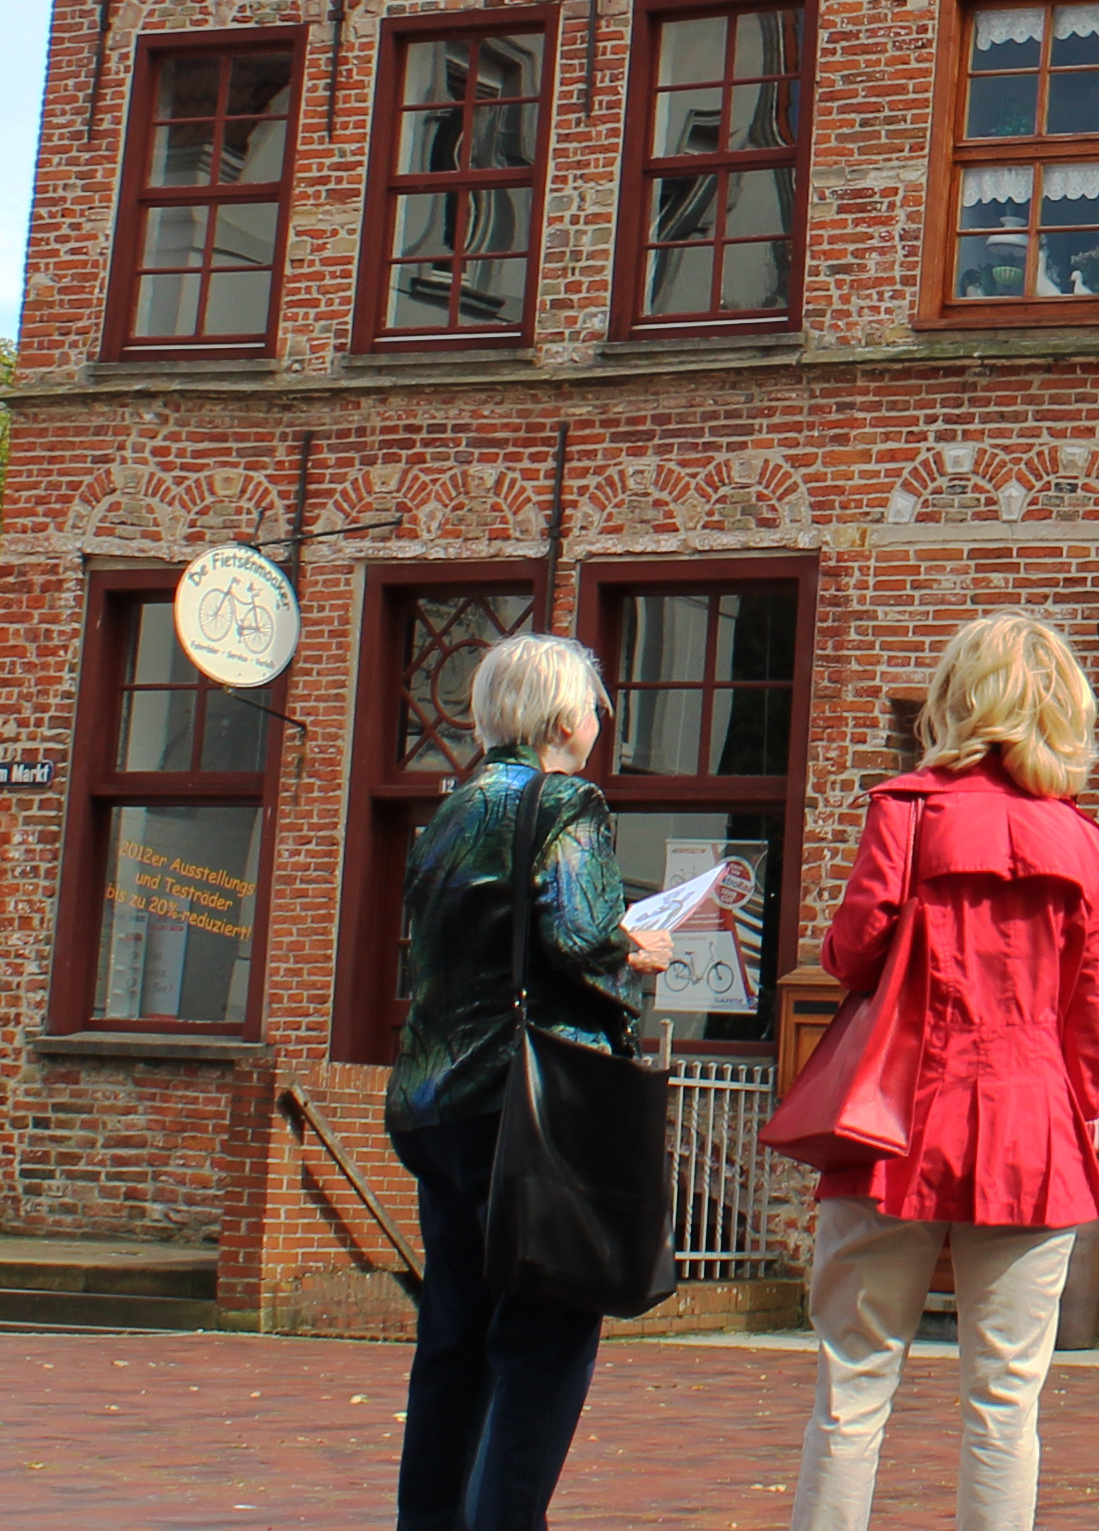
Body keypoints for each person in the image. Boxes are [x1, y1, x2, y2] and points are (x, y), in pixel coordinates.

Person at [789, 612, 1099, 1531]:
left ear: (959, 698)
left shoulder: (908, 810)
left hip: (896, 1119)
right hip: (1033, 1126)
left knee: (853, 1386)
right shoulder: (1084, 844)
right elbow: (1089, 1016)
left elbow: (851, 955)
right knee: (1006, 1403)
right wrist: (1092, 1114)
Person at [384, 629, 673, 1531]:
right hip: (533, 1108)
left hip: (437, 1106)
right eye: (595, 707)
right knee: (545, 1340)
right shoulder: (565, 802)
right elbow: (579, 940)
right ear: (561, 716)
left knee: (454, 1340)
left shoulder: (452, 809)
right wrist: (640, 948)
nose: (599, 723)